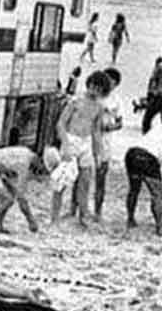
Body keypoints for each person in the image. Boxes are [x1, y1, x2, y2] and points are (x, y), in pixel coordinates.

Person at [56, 69, 113, 227]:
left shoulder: (99, 107)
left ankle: (82, 216)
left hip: (86, 142)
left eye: (99, 89)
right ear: (89, 85)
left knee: (85, 180)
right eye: (93, 87)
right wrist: (66, 144)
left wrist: (99, 153)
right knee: (63, 179)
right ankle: (55, 215)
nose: (94, 91)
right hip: (72, 138)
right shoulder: (76, 101)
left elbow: (96, 131)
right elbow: (61, 123)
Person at [89, 67, 123, 220]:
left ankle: (98, 211)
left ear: (115, 84)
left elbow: (120, 122)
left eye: (109, 81)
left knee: (101, 177)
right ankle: (75, 208)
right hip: (89, 138)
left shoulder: (116, 100)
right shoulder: (93, 96)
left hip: (106, 141)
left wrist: (110, 127)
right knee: (81, 175)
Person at [125, 144, 162, 236]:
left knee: (134, 189)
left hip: (131, 154)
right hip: (149, 158)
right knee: (157, 194)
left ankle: (130, 219)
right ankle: (160, 226)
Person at [142, 58, 162, 134]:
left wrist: (151, 92)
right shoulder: (160, 67)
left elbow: (152, 80)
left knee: (148, 118)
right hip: (158, 95)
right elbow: (153, 80)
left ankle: (146, 135)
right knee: (148, 118)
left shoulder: (160, 67)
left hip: (158, 96)